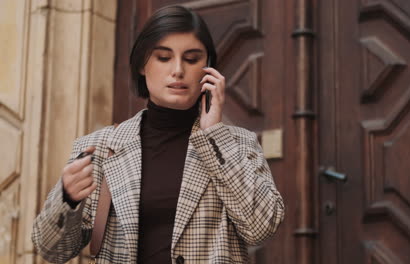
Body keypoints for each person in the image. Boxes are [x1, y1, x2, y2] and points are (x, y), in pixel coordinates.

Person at [32, 5, 284, 264]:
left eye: (191, 58)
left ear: (208, 69)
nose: (177, 70)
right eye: (163, 57)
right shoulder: (100, 148)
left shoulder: (238, 144)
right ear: (143, 64)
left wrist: (215, 136)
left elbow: (261, 228)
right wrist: (67, 198)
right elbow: (53, 251)